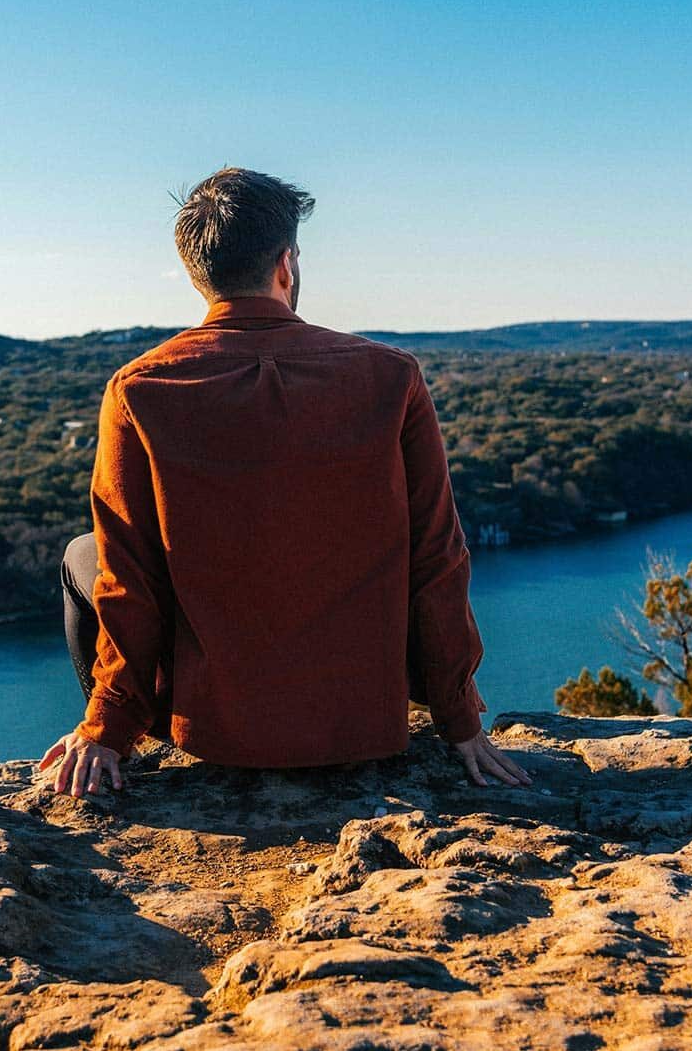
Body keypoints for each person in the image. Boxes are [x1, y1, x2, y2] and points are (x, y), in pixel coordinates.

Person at [39, 167, 532, 798]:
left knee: (85, 553)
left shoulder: (140, 388)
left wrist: (104, 725)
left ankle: (116, 750)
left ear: (196, 273)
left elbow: (127, 582)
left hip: (214, 736)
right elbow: (439, 558)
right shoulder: (391, 376)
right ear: (287, 264)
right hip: (367, 727)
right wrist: (459, 720)